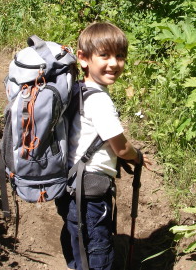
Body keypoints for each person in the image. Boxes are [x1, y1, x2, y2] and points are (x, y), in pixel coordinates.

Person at [55, 22, 150, 270]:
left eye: (120, 56)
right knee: (98, 249)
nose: (114, 63)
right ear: (83, 59)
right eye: (104, 55)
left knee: (78, 241)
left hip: (69, 185)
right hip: (91, 192)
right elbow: (120, 148)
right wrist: (137, 156)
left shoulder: (77, 89)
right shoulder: (100, 101)